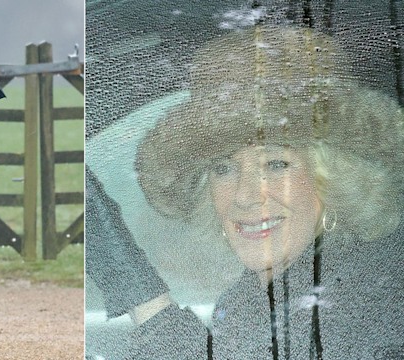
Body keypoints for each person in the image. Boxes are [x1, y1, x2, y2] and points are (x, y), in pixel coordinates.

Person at [86, 26, 404, 359]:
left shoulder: (363, 304)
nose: (245, 196)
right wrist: (133, 283)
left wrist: (133, 280)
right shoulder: (253, 298)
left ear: (333, 178)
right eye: (223, 168)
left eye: (276, 164)